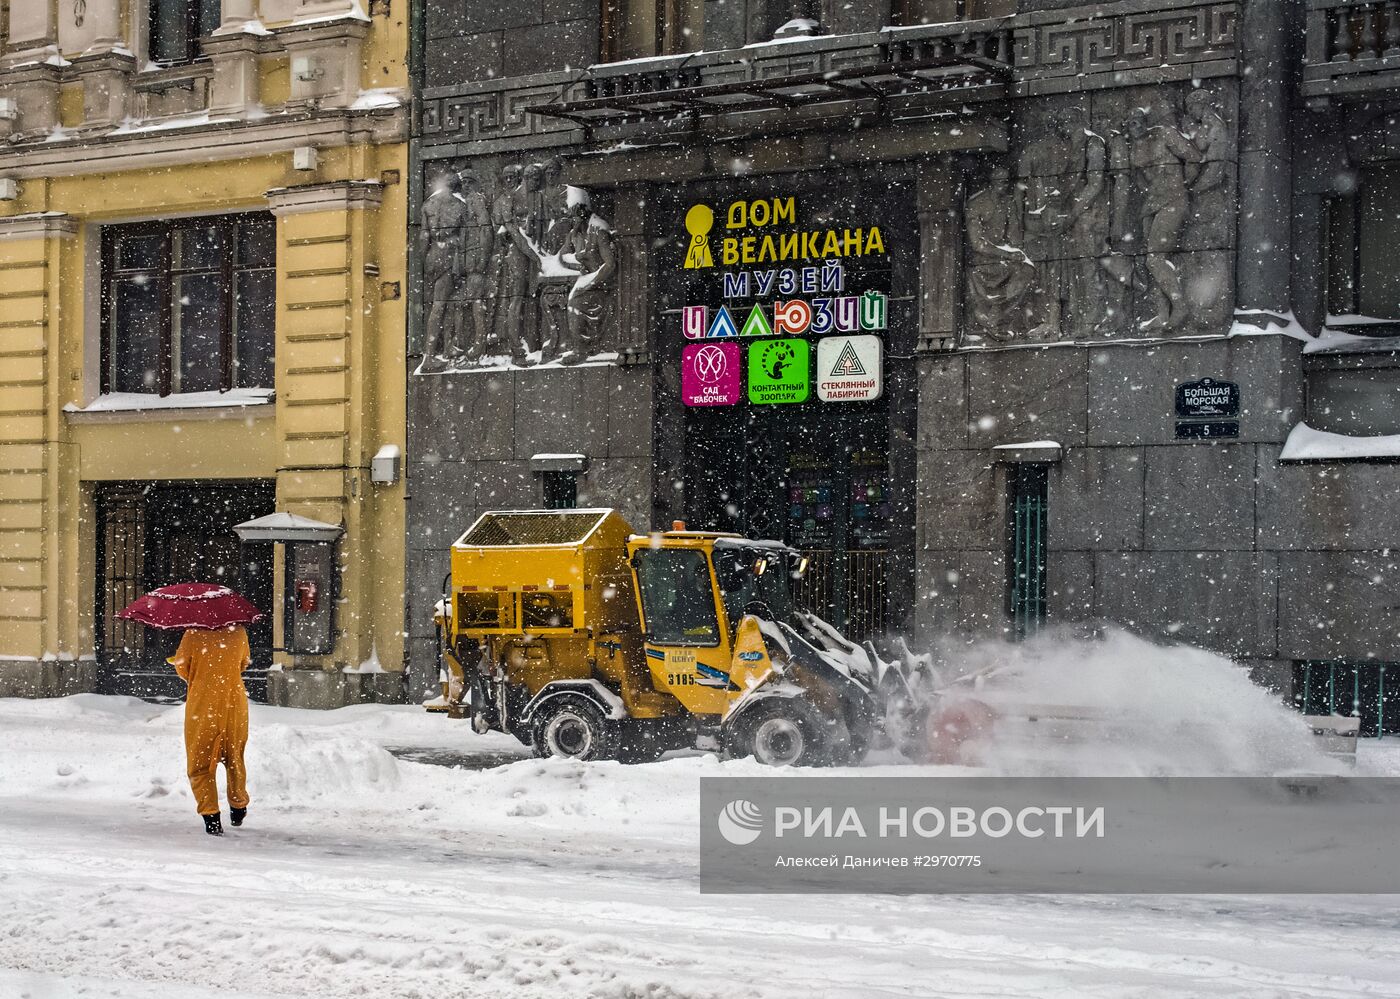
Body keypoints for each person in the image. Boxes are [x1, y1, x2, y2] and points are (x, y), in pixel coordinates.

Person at [168, 624, 252, 836]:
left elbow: (182, 666)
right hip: (234, 701)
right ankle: (238, 805)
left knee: (200, 762)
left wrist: (201, 671)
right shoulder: (239, 632)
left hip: (203, 703)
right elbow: (243, 663)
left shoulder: (193, 633)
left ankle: (211, 816)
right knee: (235, 757)